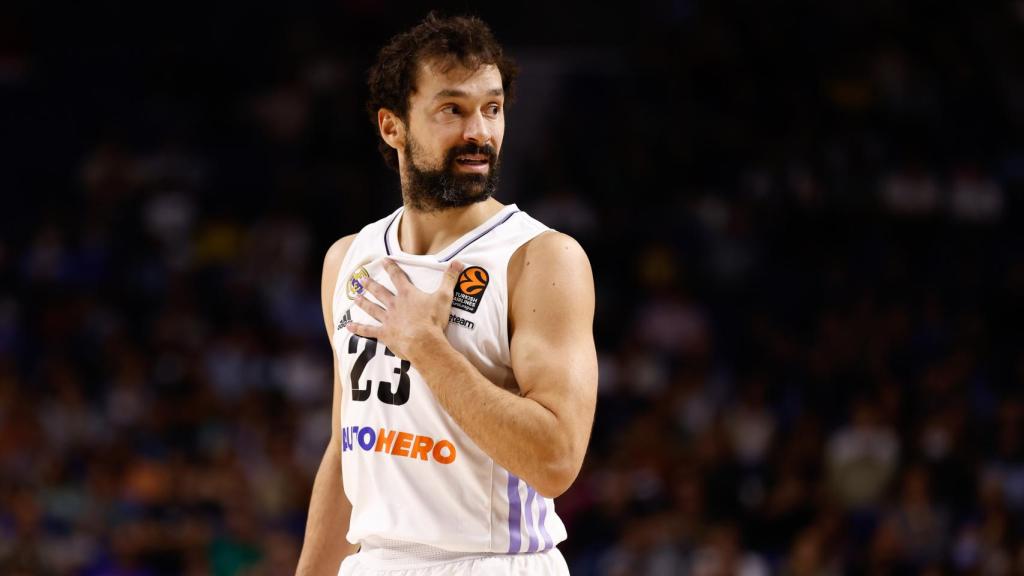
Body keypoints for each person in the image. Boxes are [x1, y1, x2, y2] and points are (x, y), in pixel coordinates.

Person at [296, 13, 597, 576]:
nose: (478, 132)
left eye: (492, 108)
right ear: (393, 127)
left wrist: (428, 348)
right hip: (376, 562)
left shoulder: (540, 259)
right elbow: (348, 451)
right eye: (452, 110)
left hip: (494, 562)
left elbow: (556, 461)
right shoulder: (349, 260)